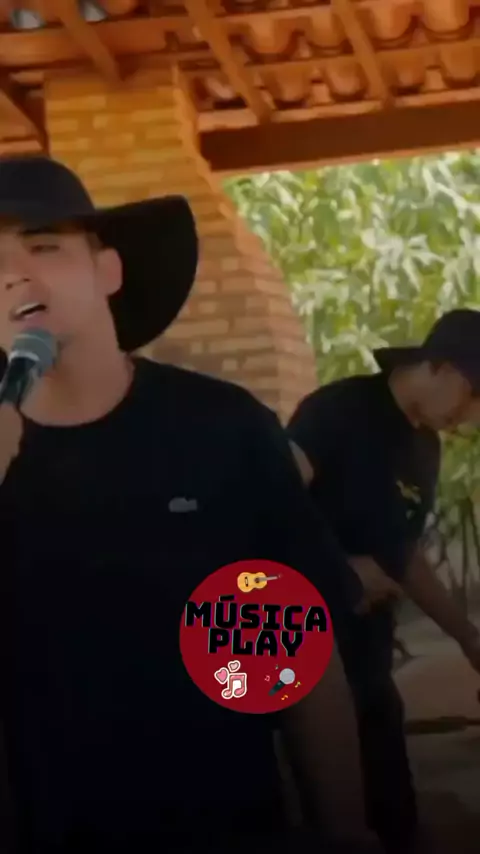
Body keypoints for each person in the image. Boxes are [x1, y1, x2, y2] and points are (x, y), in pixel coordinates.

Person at [0, 156, 375, 854]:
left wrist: (345, 829)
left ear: (107, 270)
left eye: (43, 246)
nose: (14, 274)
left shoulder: (220, 430)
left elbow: (296, 656)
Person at [288, 309, 480, 854]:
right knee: (333, 813)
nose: (470, 418)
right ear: (440, 367)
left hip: (370, 652)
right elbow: (269, 509)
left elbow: (404, 555)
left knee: (395, 809)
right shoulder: (338, 411)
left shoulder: (426, 447)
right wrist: (341, 570)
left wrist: (467, 636)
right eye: (473, 396)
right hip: (304, 650)